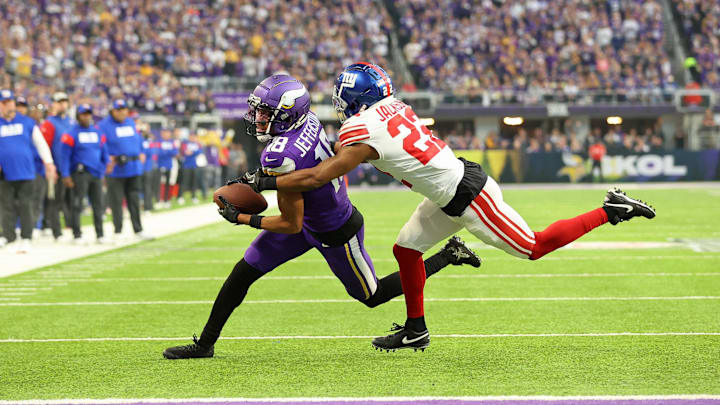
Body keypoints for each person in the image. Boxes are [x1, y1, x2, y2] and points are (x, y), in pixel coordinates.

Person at [238, 63, 657, 351]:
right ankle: (416, 330)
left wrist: (263, 180)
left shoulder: (360, 130)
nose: (338, 103)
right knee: (405, 249)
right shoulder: (392, 108)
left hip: (468, 198)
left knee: (534, 246)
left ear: (356, 99)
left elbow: (316, 177)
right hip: (446, 191)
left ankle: (610, 210)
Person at [162, 75, 481, 359]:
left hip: (335, 230)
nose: (257, 118)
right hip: (311, 216)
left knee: (373, 296)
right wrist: (257, 179)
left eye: (264, 112)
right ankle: (205, 343)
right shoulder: (308, 120)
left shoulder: (279, 154)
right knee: (242, 273)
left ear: (286, 113)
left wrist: (242, 218)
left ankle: (448, 254)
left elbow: (291, 223)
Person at [0, 90, 56, 252]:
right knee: (6, 205)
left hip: (25, 170)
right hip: (4, 173)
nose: (8, 105)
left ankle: (26, 236)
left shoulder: (27, 122)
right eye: (4, 102)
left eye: (9, 102)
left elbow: (40, 143)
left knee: (26, 204)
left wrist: (49, 162)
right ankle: (8, 235)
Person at [99, 99, 150, 240]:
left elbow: (138, 139)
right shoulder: (104, 125)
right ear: (113, 111)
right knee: (116, 201)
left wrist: (141, 151)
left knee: (134, 200)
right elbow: (101, 144)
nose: (122, 112)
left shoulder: (130, 122)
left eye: (124, 109)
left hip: (133, 168)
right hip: (116, 169)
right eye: (119, 109)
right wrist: (107, 159)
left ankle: (138, 230)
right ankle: (118, 231)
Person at [57, 104, 109, 244]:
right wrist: (66, 174)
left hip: (96, 173)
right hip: (79, 173)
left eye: (88, 113)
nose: (86, 116)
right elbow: (65, 156)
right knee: (77, 204)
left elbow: (104, 152)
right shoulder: (71, 133)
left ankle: (100, 234)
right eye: (83, 114)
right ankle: (77, 234)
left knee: (98, 204)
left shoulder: (97, 132)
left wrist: (103, 168)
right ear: (78, 116)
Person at [39, 92, 72, 241]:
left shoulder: (71, 122)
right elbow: (45, 146)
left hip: (71, 168)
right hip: (57, 168)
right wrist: (50, 166)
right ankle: (55, 231)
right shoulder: (49, 123)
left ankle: (72, 227)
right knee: (54, 200)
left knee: (69, 199)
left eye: (64, 101)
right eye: (59, 102)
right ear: (53, 103)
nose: (62, 104)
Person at [177, 132, 204, 204]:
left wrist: (193, 152)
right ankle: (180, 197)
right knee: (184, 181)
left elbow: (200, 151)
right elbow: (185, 152)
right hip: (186, 165)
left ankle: (193, 197)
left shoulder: (197, 143)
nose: (193, 138)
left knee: (194, 182)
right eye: (191, 136)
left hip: (194, 165)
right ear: (189, 136)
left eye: (194, 136)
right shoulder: (185, 143)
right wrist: (192, 152)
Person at [156, 128, 178, 208]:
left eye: (168, 133)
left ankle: (166, 200)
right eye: (165, 133)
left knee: (168, 183)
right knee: (160, 183)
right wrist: (168, 152)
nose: (167, 134)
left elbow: (175, 152)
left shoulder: (172, 142)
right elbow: (158, 152)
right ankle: (159, 200)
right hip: (160, 165)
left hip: (169, 165)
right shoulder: (159, 141)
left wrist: (166, 151)